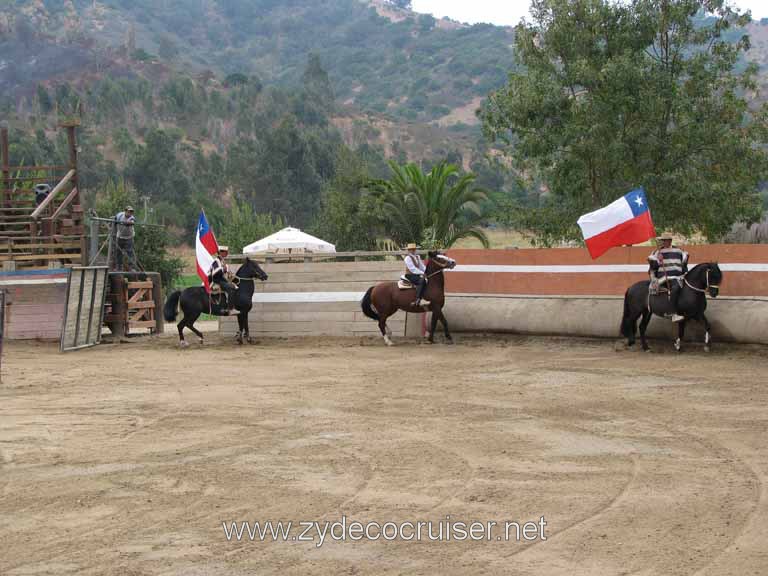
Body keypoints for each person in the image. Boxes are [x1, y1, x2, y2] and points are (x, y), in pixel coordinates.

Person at [648, 235, 689, 322]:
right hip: (664, 278)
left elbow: (684, 263)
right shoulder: (658, 251)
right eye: (662, 241)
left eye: (664, 240)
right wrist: (657, 260)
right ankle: (672, 313)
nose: (663, 242)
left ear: (670, 241)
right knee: (675, 288)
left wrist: (685, 273)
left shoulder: (679, 250)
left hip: (678, 277)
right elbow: (653, 265)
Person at [209, 245, 237, 313]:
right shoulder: (216, 261)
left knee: (235, 285)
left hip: (222, 279)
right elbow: (214, 273)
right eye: (225, 252)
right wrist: (222, 269)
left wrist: (229, 273)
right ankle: (230, 309)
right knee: (231, 288)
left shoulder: (222, 261)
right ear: (220, 252)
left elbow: (225, 272)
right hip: (216, 280)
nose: (227, 253)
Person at [403, 243, 427, 307]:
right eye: (411, 249)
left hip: (417, 274)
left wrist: (427, 271)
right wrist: (422, 273)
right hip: (410, 275)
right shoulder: (407, 258)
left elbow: (422, 266)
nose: (413, 250)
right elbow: (412, 269)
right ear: (409, 250)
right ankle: (417, 299)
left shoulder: (417, 257)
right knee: (422, 281)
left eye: (414, 249)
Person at [114, 206, 136, 271]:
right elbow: (115, 219)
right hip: (120, 237)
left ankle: (130, 268)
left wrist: (128, 223)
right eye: (129, 211)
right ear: (125, 211)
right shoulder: (120, 215)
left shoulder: (131, 217)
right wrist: (114, 223)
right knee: (118, 253)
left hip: (129, 237)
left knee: (129, 252)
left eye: (131, 212)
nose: (130, 213)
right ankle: (119, 267)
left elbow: (132, 221)